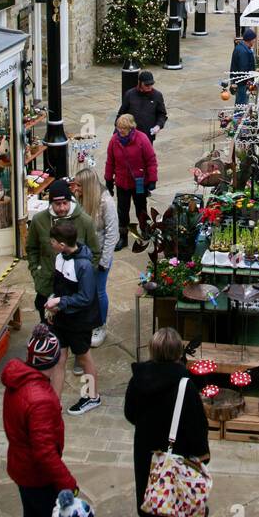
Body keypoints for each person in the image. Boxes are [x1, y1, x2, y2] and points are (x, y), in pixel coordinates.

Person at [1, 325, 80, 517]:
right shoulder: (41, 400)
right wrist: (68, 484)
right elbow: (45, 452)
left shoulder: (17, 382)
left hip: (20, 467)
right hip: (37, 474)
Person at [124, 326, 210, 517]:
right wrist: (202, 455)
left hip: (145, 450)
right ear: (177, 353)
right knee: (157, 506)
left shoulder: (138, 379)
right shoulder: (184, 384)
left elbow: (130, 414)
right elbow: (196, 425)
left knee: (156, 496)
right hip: (175, 452)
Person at [45, 220, 101, 415]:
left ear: (62, 244)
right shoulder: (60, 257)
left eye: (52, 241)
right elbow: (59, 286)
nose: (50, 243)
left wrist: (60, 301)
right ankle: (54, 403)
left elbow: (86, 297)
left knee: (84, 358)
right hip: (62, 318)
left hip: (79, 321)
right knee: (59, 359)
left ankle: (92, 396)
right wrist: (54, 306)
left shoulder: (84, 266)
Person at [26, 179, 100, 322]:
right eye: (57, 204)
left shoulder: (85, 222)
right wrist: (36, 272)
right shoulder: (39, 221)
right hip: (46, 285)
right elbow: (31, 248)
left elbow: (95, 253)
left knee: (72, 333)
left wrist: (85, 277)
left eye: (65, 203)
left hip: (73, 291)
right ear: (50, 203)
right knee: (47, 329)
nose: (61, 208)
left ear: (70, 201)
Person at [75, 167, 118, 348]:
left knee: (98, 291)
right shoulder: (80, 200)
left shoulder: (106, 202)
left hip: (100, 255)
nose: (75, 188)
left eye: (78, 185)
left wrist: (104, 261)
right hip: (83, 255)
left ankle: (100, 325)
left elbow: (112, 234)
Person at [105, 114, 157, 252]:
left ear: (131, 128)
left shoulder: (142, 139)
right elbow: (110, 162)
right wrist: (108, 180)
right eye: (118, 127)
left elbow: (151, 160)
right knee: (122, 211)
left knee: (141, 207)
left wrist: (152, 179)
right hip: (122, 182)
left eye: (123, 128)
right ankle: (123, 237)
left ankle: (144, 229)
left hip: (139, 182)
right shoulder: (114, 141)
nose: (120, 130)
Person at [118, 70, 168, 143]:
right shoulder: (130, 94)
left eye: (151, 84)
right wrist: (117, 131)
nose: (149, 87)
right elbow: (121, 114)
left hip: (147, 135)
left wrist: (158, 125)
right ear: (140, 83)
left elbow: (162, 114)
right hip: (130, 134)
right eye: (147, 85)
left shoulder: (157, 95)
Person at [230, 26, 256, 106]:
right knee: (241, 105)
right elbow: (243, 70)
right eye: (254, 40)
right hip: (242, 84)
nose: (254, 41)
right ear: (250, 40)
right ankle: (238, 118)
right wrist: (249, 82)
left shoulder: (240, 48)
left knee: (239, 103)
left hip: (239, 82)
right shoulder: (244, 52)